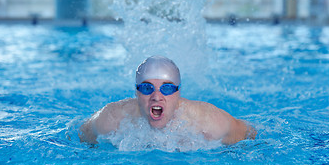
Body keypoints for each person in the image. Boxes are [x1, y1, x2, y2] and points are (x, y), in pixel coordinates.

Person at [79, 56, 256, 145]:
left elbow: (251, 136)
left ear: (178, 92)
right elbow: (78, 135)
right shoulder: (110, 120)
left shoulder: (210, 123)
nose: (157, 96)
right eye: (147, 88)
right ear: (137, 93)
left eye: (167, 88)